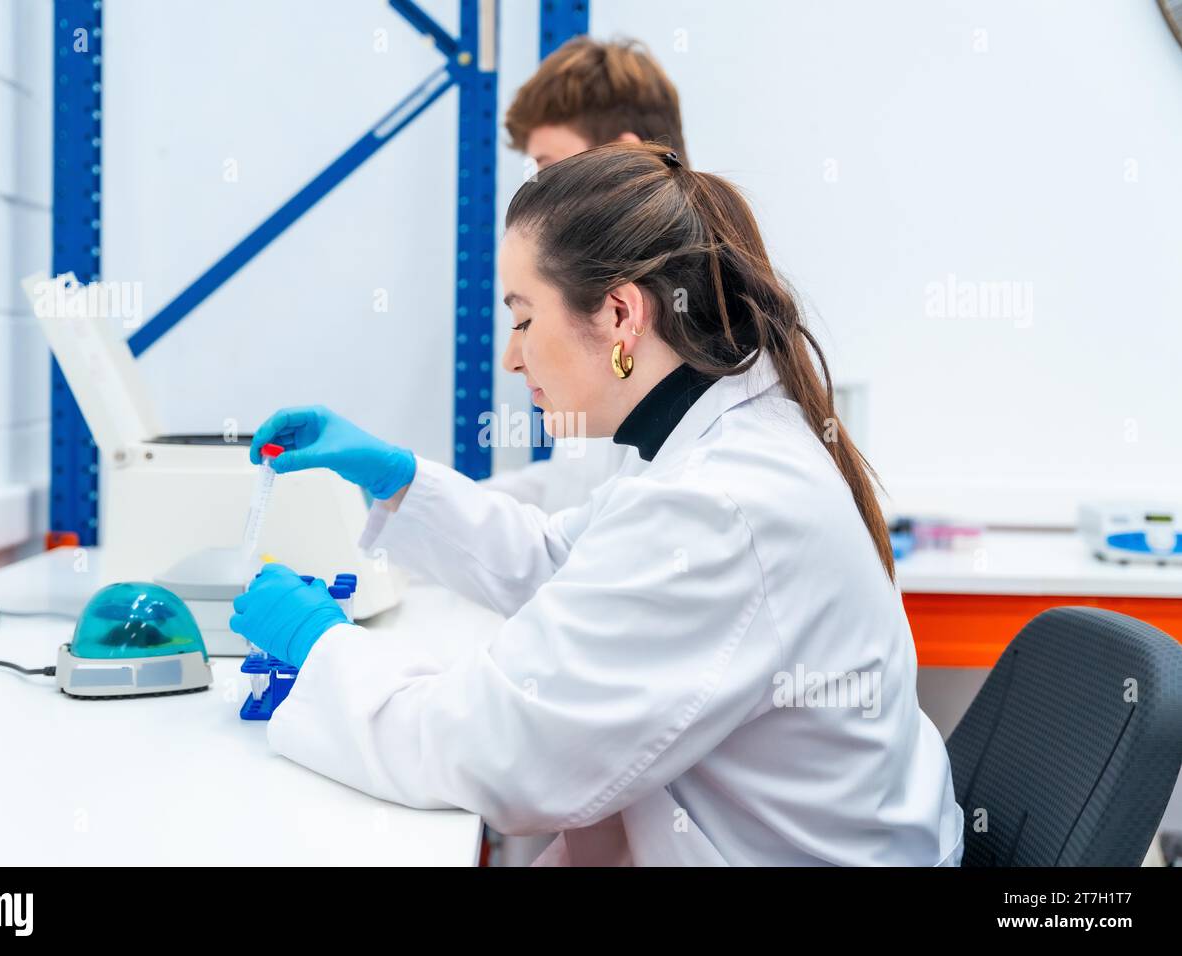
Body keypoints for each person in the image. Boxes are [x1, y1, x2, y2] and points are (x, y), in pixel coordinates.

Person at [231, 143, 965, 867]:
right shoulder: (714, 444)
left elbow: (500, 756)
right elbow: (561, 562)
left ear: (619, 315)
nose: (512, 357)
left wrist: (322, 648)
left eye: (523, 319)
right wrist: (398, 479)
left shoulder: (721, 506)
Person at [484, 37, 688, 513]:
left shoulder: (684, 330)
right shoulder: (600, 315)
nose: (539, 193)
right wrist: (410, 490)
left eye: (550, 170)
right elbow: (574, 495)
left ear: (626, 158)